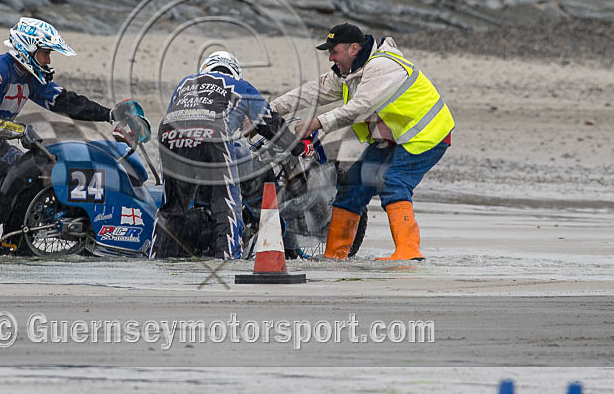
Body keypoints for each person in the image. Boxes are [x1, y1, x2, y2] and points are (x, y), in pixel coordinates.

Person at [0, 17, 138, 257]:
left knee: (38, 177)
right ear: (28, 49)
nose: (48, 60)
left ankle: (12, 245)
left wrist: (109, 114)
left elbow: (65, 102)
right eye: (45, 54)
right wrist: (20, 131)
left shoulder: (31, 78)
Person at [270, 23, 454, 261]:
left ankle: (409, 253)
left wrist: (318, 122)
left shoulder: (382, 67)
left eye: (334, 52)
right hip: (392, 139)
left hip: (427, 134)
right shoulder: (348, 74)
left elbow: (359, 108)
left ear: (353, 49)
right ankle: (335, 255)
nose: (330, 58)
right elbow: (311, 92)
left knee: (394, 183)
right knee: (353, 186)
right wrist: (268, 110)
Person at [149, 50, 315, 260]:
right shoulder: (242, 86)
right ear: (235, 72)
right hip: (213, 131)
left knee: (171, 207)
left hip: (169, 132)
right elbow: (270, 124)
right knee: (225, 201)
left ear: (205, 68)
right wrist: (299, 148)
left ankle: (157, 259)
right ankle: (228, 259)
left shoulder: (185, 82)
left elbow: (177, 113)